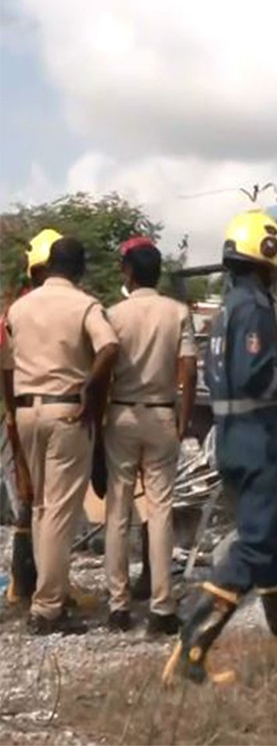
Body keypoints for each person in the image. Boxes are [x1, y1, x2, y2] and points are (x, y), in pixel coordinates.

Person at [164, 210, 277, 684]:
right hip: (255, 439)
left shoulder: (227, 308)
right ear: (264, 257)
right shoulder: (254, 308)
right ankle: (194, 642)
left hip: (229, 436)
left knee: (267, 545)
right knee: (255, 543)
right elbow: (254, 374)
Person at [1, 236, 118, 634]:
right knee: (60, 512)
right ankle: (48, 608)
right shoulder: (84, 304)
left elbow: (7, 364)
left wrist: (13, 412)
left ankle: (50, 591)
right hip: (67, 411)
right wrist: (90, 387)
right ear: (80, 269)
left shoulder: (19, 308)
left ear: (48, 265)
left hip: (26, 410)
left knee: (40, 508)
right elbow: (110, 346)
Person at [103, 237, 197, 636]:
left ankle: (118, 605)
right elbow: (189, 369)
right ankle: (162, 606)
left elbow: (102, 367)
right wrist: (184, 418)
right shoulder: (177, 312)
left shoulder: (113, 315)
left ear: (129, 272)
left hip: (121, 412)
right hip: (162, 414)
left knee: (118, 511)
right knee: (160, 512)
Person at [1, 227, 62, 605]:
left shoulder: (21, 310)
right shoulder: (21, 314)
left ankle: (33, 583)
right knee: (31, 499)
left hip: (20, 415)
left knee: (36, 499)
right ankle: (29, 585)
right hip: (14, 418)